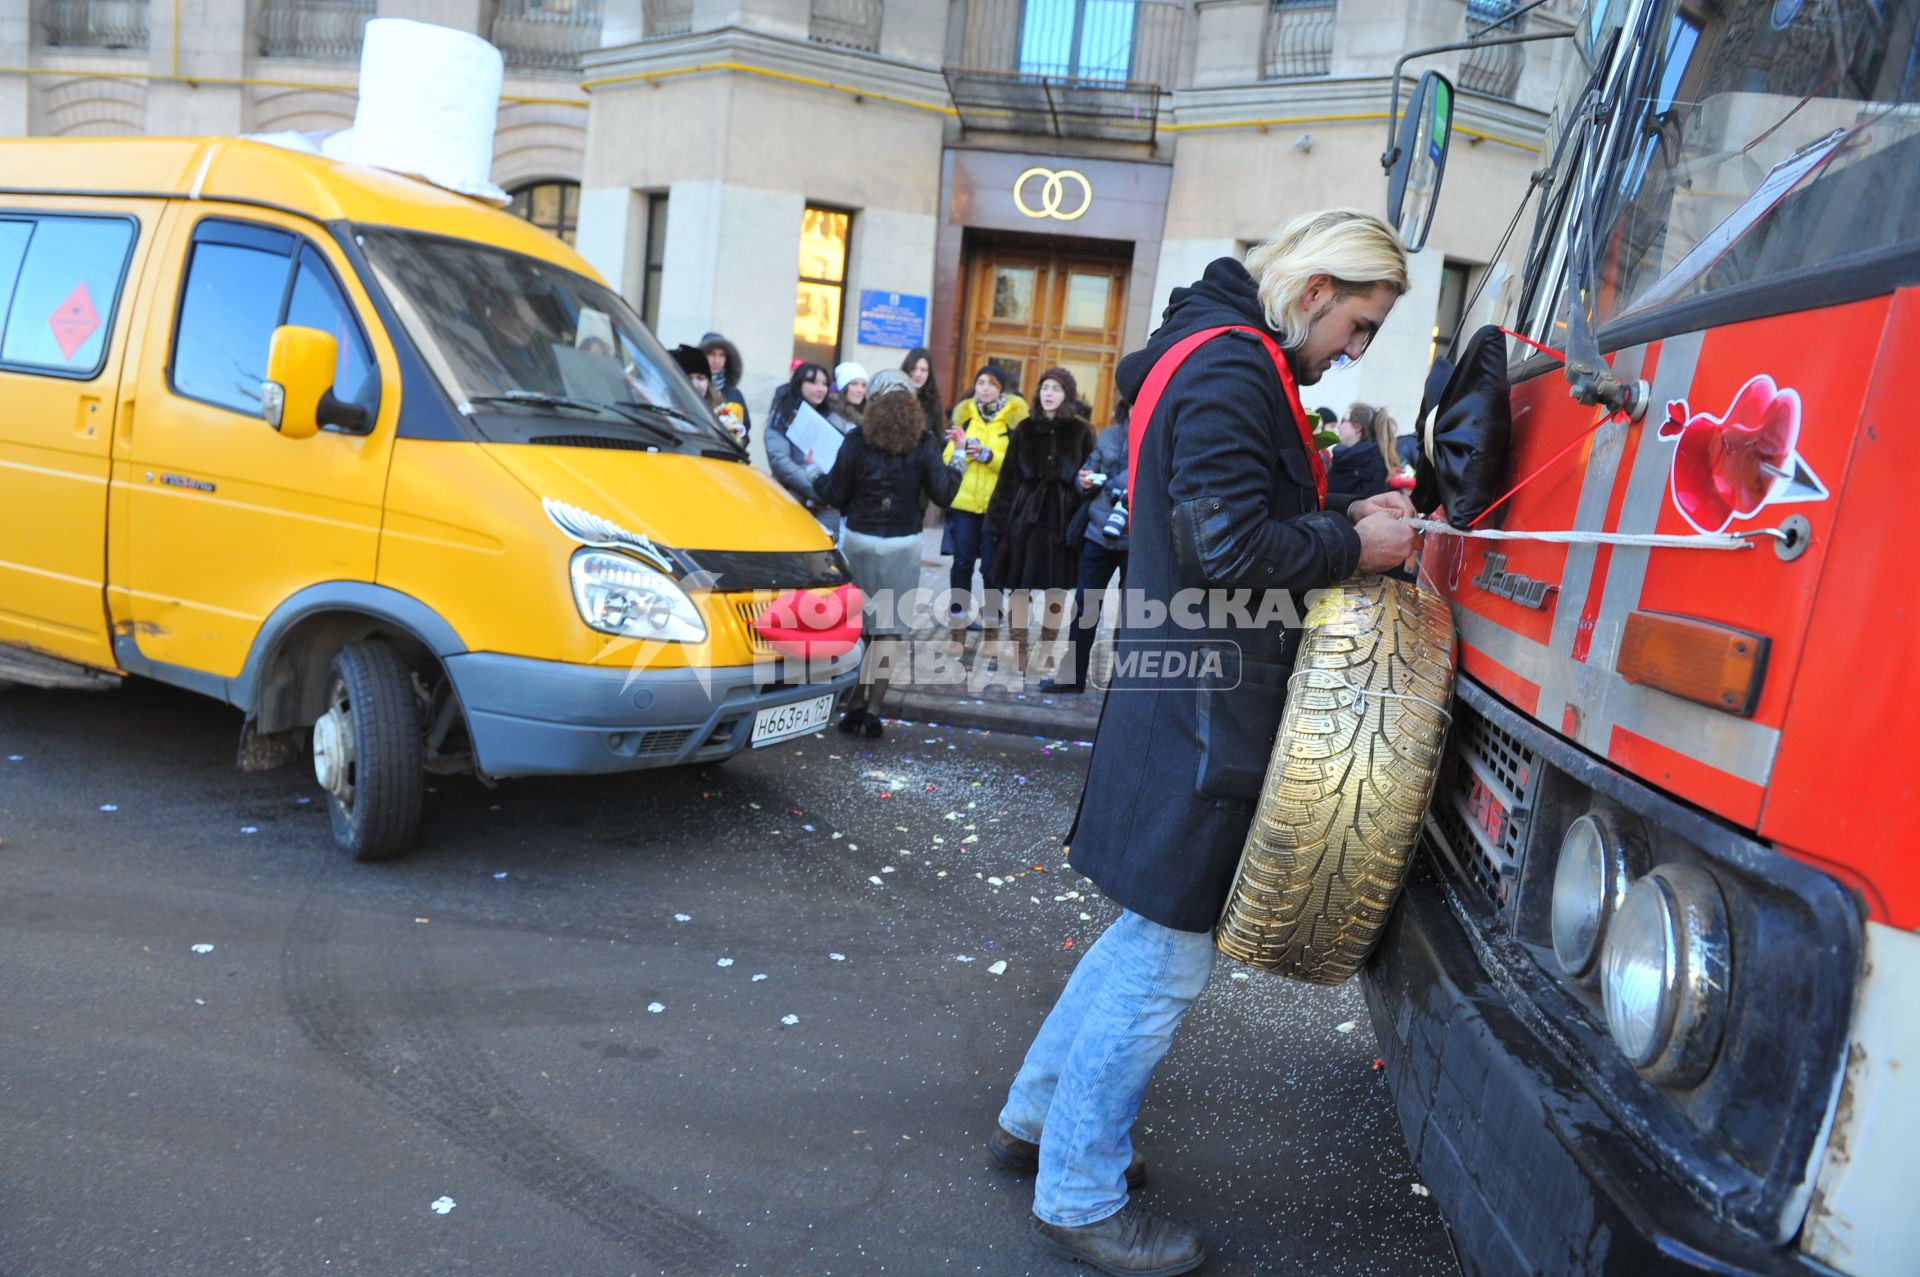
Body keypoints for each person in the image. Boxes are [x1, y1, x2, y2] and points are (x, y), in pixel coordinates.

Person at [989, 209, 1421, 1276]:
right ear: (1314, 288)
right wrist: (1353, 541)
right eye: (1358, 324)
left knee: (1140, 934)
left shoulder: (1216, 349)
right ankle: (1078, 1191)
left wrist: (1338, 494)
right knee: (1165, 956)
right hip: (1210, 705)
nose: (1354, 351)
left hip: (1178, 688)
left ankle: (1037, 1115)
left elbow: (1221, 515)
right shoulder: (1236, 368)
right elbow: (1229, 546)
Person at [812, 369, 966, 737]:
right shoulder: (925, 442)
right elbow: (944, 494)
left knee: (863, 629)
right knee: (888, 632)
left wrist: (811, 468)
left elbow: (833, 492)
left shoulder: (857, 440)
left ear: (874, 401)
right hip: (904, 544)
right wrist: (958, 457)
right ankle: (874, 711)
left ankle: (852, 706)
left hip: (860, 540)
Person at [986, 368, 1095, 677]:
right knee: (1019, 589)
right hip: (1026, 518)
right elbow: (1007, 479)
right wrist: (998, 523)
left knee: (1057, 590)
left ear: (1067, 396)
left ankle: (1047, 650)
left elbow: (1090, 473)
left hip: (1062, 519)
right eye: (1045, 387)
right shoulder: (1023, 429)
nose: (1049, 394)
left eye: (1056, 389)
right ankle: (1019, 649)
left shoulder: (1081, 431)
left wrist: (1083, 519)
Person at [1042, 401, 1130, 695]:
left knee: (1134, 611)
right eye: (1131, 402)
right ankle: (1072, 676)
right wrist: (1084, 481)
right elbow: (1088, 472)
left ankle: (1125, 683)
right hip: (1098, 534)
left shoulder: (1161, 437)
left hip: (1137, 537)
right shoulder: (1109, 435)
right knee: (1085, 605)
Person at [943, 364, 1026, 646]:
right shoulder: (964, 419)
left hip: (996, 505)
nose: (985, 388)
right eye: (981, 383)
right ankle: (958, 611)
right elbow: (945, 461)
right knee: (962, 561)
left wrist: (990, 456)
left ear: (1001, 388)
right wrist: (960, 448)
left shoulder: (1011, 424)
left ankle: (993, 613)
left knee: (991, 565)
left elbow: (1018, 464)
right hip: (964, 503)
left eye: (991, 384)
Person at [766, 362, 846, 533]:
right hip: (792, 499)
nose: (820, 388)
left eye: (825, 384)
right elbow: (780, 460)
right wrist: (818, 489)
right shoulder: (782, 414)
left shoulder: (834, 418)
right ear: (799, 383)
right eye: (813, 382)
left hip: (827, 507)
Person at [1327, 401, 1397, 498]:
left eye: (1343, 421)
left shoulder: (1372, 464)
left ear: (1358, 428)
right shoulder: (1344, 458)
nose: (1339, 426)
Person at [700, 331, 752, 443]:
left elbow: (744, 431)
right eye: (712, 354)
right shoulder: (690, 389)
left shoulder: (734, 394)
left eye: (721, 355)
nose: (716, 360)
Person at [903, 346, 945, 441]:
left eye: (923, 370)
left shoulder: (934, 403)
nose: (918, 374)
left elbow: (939, 438)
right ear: (906, 368)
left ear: (929, 374)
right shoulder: (892, 397)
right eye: (914, 368)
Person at [833, 361, 870, 430]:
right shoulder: (834, 416)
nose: (860, 390)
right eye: (854, 384)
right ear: (843, 388)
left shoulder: (870, 414)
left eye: (863, 385)